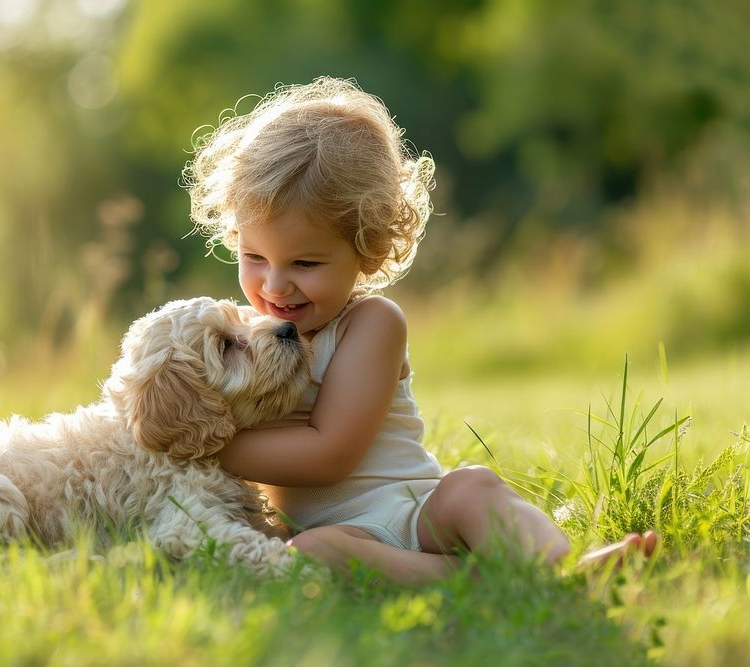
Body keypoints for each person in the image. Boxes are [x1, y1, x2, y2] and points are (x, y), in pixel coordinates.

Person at [183, 77, 656, 585]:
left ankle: (559, 572)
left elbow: (329, 454)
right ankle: (473, 581)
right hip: (339, 534)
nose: (275, 285)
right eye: (254, 257)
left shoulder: (372, 324)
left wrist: (199, 444)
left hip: (417, 514)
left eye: (305, 262)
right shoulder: (246, 342)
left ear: (367, 250)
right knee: (312, 554)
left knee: (473, 487)